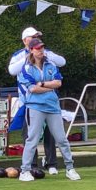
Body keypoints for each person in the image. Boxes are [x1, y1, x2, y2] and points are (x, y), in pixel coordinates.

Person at [16, 39, 80, 182]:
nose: (40, 50)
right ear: (31, 50)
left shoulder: (51, 65)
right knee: (32, 139)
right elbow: (33, 89)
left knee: (62, 139)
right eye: (37, 48)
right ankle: (24, 170)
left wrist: (43, 84)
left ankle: (70, 168)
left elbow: (58, 83)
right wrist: (48, 87)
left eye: (42, 48)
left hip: (53, 107)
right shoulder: (26, 68)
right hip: (35, 106)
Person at [9, 27, 68, 174]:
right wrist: (29, 56)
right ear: (25, 41)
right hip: (28, 102)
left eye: (38, 37)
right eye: (33, 37)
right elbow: (12, 71)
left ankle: (51, 163)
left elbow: (62, 62)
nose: (37, 39)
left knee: (51, 132)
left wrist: (44, 55)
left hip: (48, 101)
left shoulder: (46, 54)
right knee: (30, 135)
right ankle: (32, 165)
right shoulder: (19, 56)